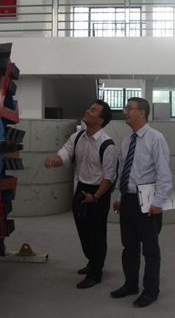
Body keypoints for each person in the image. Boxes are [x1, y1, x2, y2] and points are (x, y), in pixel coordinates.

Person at [44, 100, 117, 289]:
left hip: (98, 193)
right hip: (81, 188)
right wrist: (55, 161)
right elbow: (65, 154)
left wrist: (96, 197)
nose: (87, 111)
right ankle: (92, 261)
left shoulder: (107, 145)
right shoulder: (77, 137)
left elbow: (109, 177)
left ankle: (95, 273)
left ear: (100, 120)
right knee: (83, 230)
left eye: (92, 110)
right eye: (89, 108)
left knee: (96, 234)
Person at [110, 97, 173, 308]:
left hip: (147, 202)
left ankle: (151, 291)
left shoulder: (156, 138)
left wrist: (158, 202)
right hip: (128, 200)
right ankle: (130, 284)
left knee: (150, 249)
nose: (125, 112)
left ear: (142, 113)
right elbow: (124, 172)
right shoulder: (128, 140)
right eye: (126, 108)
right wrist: (119, 197)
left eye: (129, 108)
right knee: (129, 246)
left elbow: (164, 174)